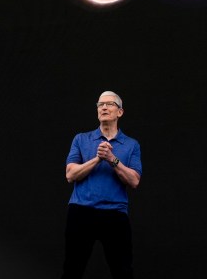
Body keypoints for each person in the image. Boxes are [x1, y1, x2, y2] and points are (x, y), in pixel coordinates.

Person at [61, 91, 142, 279]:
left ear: (120, 112)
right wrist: (98, 158)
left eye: (109, 104)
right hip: (81, 212)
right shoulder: (81, 139)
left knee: (123, 271)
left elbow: (134, 181)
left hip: (115, 213)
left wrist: (112, 159)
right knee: (72, 270)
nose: (103, 107)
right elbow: (70, 175)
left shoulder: (131, 145)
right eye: (100, 104)